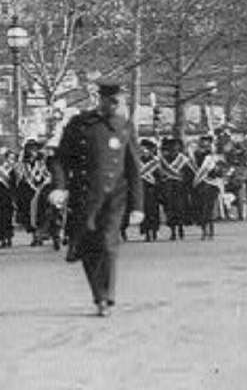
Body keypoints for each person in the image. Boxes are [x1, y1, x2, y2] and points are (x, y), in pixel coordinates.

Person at [48, 81, 144, 318]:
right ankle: (99, 295)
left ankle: (107, 296)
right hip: (84, 195)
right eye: (112, 101)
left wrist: (137, 206)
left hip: (114, 196)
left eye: (119, 102)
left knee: (108, 242)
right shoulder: (80, 125)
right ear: (100, 100)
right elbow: (60, 159)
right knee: (89, 246)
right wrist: (59, 187)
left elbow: (133, 168)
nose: (116, 106)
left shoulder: (124, 127)